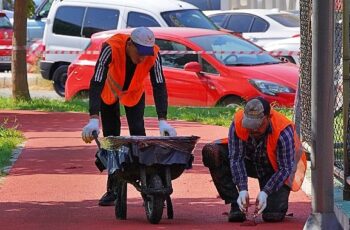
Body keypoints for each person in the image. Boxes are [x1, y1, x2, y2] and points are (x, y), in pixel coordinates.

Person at [81, 27, 177, 206]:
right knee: (112, 139)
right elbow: (96, 80)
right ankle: (113, 188)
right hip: (109, 91)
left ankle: (148, 188)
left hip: (134, 93)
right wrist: (94, 118)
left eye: (145, 53)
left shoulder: (153, 54)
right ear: (130, 44)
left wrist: (163, 120)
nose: (142, 58)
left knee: (139, 135)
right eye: (139, 52)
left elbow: (159, 84)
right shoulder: (111, 47)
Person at [202, 97, 307, 222]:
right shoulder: (238, 123)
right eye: (250, 125)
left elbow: (285, 168)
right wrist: (242, 189)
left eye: (258, 125)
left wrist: (265, 192)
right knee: (211, 152)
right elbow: (236, 158)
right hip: (250, 161)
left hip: (273, 168)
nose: (253, 130)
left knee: (272, 216)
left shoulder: (283, 130)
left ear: (268, 118)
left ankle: (272, 203)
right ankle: (236, 203)